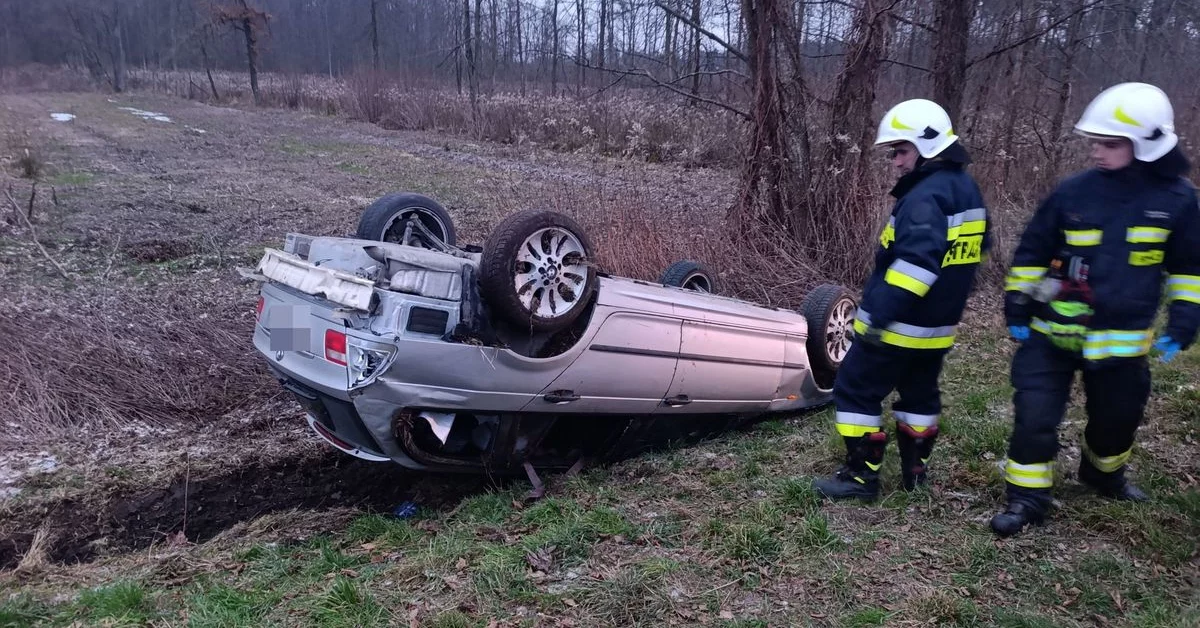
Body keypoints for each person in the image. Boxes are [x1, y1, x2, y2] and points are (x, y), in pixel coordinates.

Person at [992, 82, 1200, 537]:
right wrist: (1017, 304)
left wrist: (1186, 315)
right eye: (1094, 143)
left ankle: (1103, 473)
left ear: (1147, 144)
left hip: (1121, 345)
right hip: (1052, 335)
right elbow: (1032, 250)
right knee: (1035, 417)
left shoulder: (1179, 201)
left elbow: (1188, 266)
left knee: (1116, 423)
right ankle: (1027, 497)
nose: (1097, 153)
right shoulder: (1073, 194)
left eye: (1109, 144)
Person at [814, 99, 991, 500]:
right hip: (938, 328)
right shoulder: (966, 189)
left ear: (928, 145)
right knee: (920, 394)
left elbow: (917, 265)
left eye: (901, 150)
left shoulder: (925, 197)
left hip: (897, 326)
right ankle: (915, 472)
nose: (895, 162)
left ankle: (860, 478)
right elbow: (980, 250)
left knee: (855, 390)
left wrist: (878, 317)